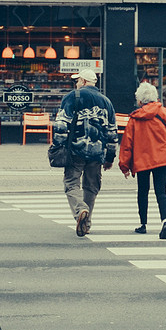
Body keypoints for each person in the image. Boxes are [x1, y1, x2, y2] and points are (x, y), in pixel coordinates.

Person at [53, 68, 118, 237]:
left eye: (77, 80)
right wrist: (110, 157)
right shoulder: (106, 102)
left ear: (82, 81)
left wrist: (57, 146)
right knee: (91, 187)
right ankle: (86, 223)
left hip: (76, 150)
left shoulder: (72, 97)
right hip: (97, 152)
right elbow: (112, 132)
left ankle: (80, 209)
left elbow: (61, 125)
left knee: (71, 184)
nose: (76, 83)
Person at [119, 82, 166, 239]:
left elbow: (127, 144)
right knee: (161, 191)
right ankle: (164, 221)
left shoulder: (135, 118)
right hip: (163, 158)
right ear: (155, 97)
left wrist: (124, 166)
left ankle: (143, 224)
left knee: (143, 191)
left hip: (143, 160)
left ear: (140, 101)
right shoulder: (163, 112)